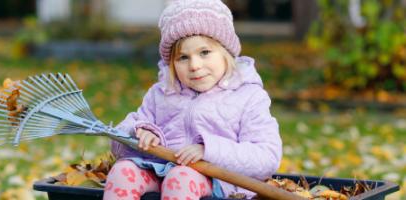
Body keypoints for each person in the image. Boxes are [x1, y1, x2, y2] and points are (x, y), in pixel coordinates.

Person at [103, 0, 282, 199]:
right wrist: (139, 132)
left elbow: (267, 157)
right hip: (159, 170)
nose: (195, 65)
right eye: (183, 58)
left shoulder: (248, 96)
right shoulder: (161, 93)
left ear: (226, 53)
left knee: (181, 177)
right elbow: (119, 146)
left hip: (217, 180)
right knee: (122, 172)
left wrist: (209, 151)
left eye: (204, 52)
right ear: (171, 63)